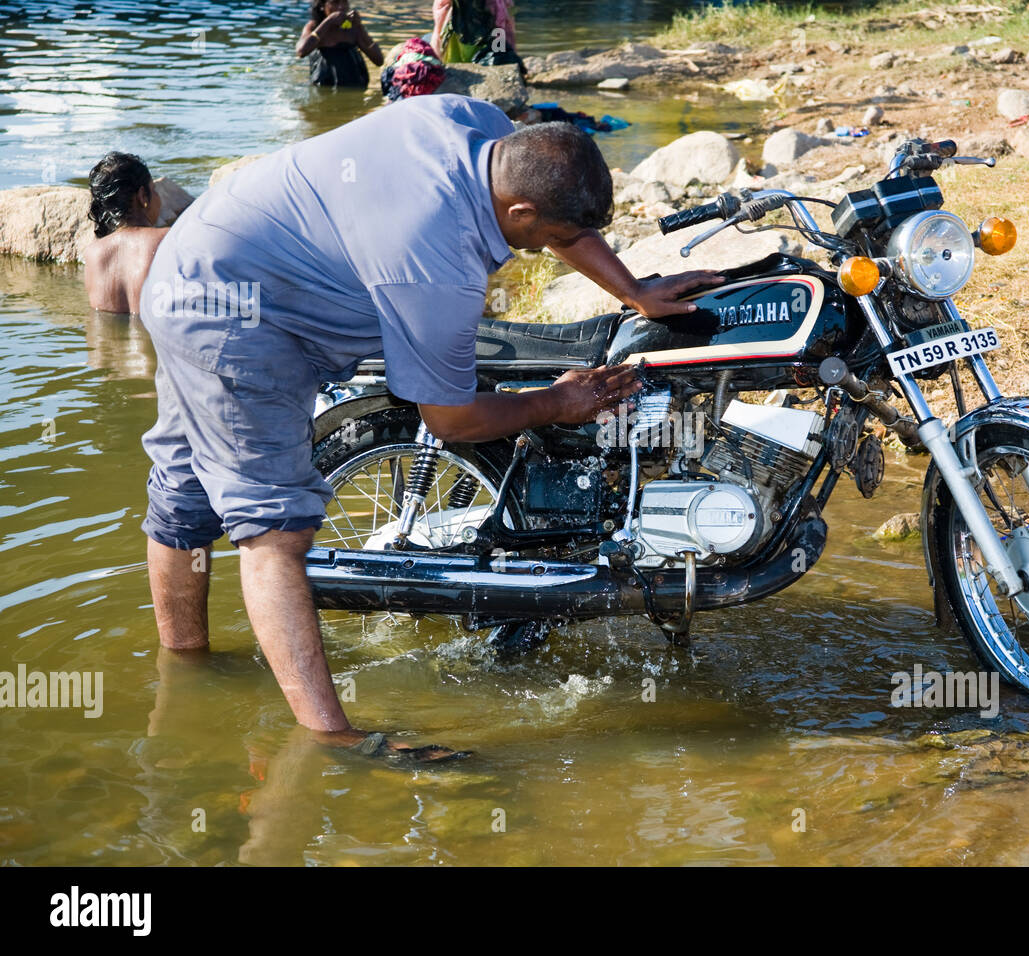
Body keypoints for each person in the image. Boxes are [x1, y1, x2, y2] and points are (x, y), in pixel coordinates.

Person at [139, 95, 721, 763]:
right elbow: (449, 418)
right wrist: (555, 402)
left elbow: (559, 217)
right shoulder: (435, 259)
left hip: (206, 258)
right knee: (275, 530)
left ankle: (182, 676)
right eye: (544, 238)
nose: (545, 250)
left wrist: (635, 291)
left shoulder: (478, 125)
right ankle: (333, 740)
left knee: (185, 494)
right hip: (234, 319)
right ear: (520, 214)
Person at [83, 152, 169, 315]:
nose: (158, 197)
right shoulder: (165, 239)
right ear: (143, 196)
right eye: (154, 190)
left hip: (103, 341)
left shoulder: (92, 253)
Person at [296, 1, 384, 87]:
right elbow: (301, 51)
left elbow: (379, 60)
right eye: (335, 2)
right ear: (322, 6)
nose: (341, 7)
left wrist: (359, 27)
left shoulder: (353, 29)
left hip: (354, 86)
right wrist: (328, 21)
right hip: (323, 86)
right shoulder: (314, 26)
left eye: (344, 2)